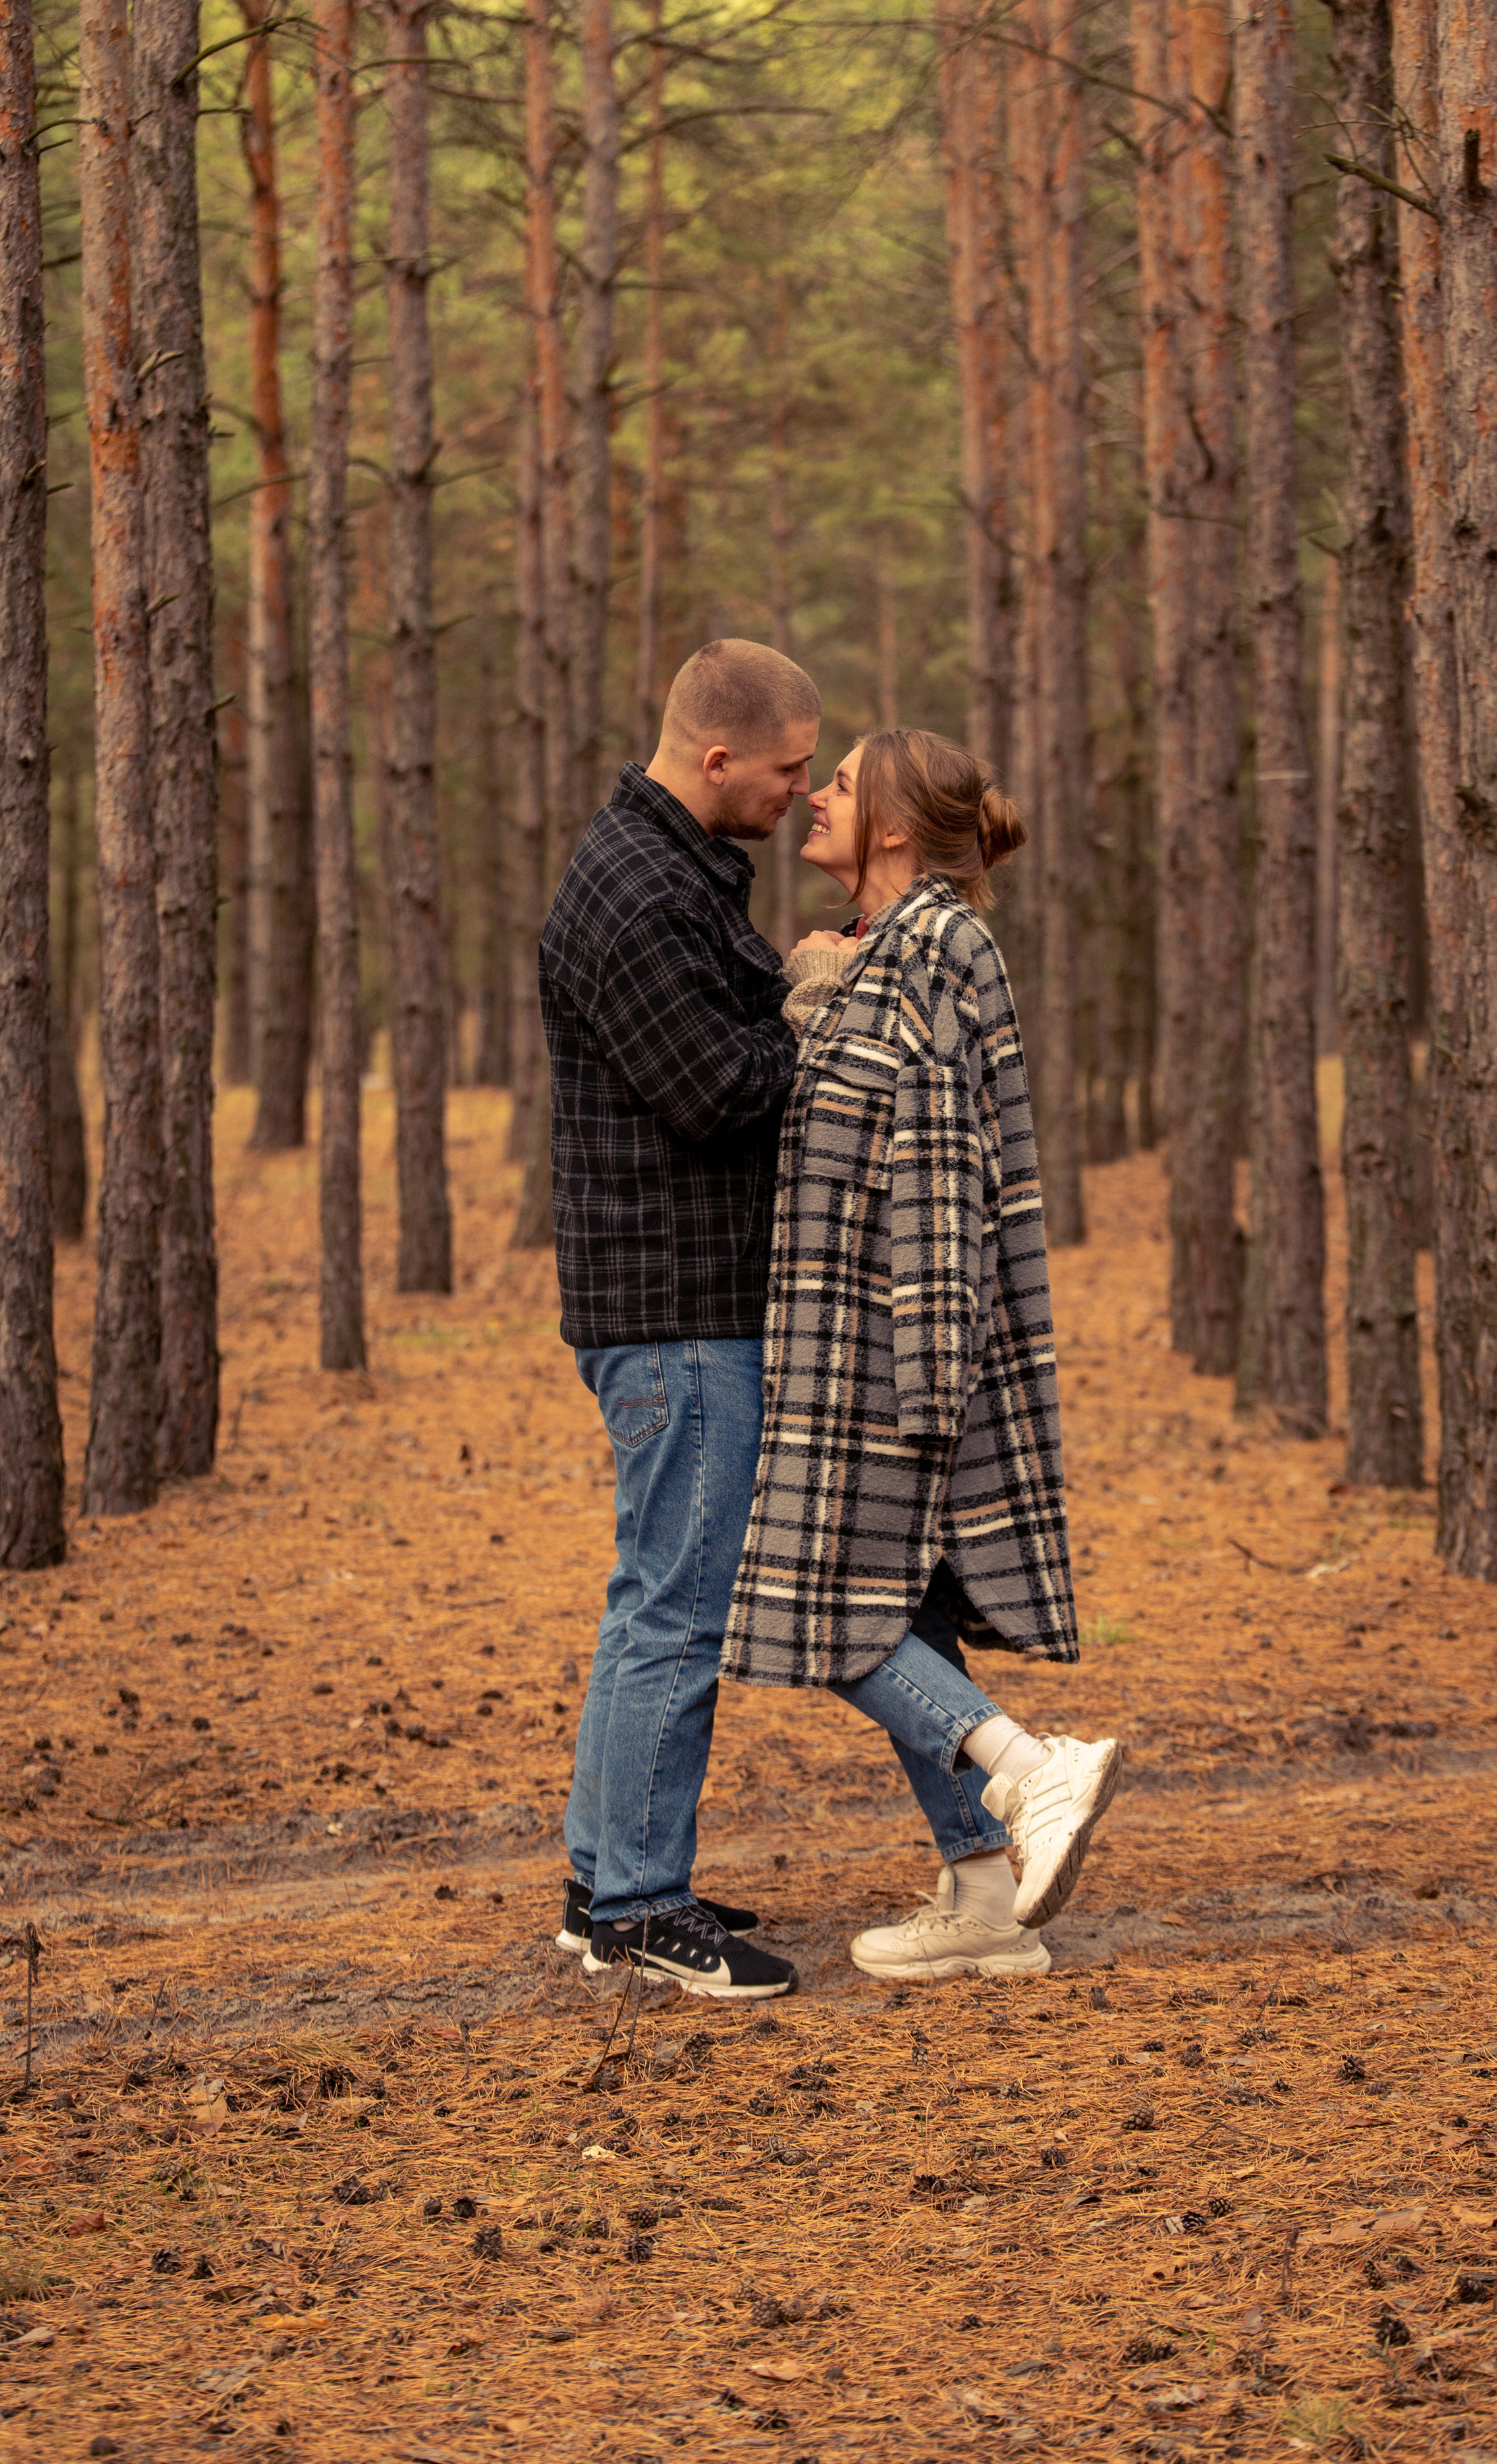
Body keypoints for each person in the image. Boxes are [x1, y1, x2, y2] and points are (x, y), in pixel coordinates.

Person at [722, 726, 1122, 1982]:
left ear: (894, 824)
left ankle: (1028, 1769)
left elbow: (947, 1168)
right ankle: (985, 1897)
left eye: (838, 784)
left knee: (825, 1607)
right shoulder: (889, 953)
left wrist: (930, 1381)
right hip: (853, 1344)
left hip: (889, 1354)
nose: (816, 798)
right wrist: (814, 996)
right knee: (896, 1609)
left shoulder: (942, 945)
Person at [541, 638, 819, 2000]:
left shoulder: (666, 872)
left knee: (645, 1595)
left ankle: (607, 1876)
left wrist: (787, 986)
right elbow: (713, 1091)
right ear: (716, 760)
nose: (802, 792)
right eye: (787, 770)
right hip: (677, 1310)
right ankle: (643, 1906)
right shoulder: (641, 891)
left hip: (672, 1305)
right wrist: (812, 1014)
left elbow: (718, 1039)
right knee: (675, 1611)